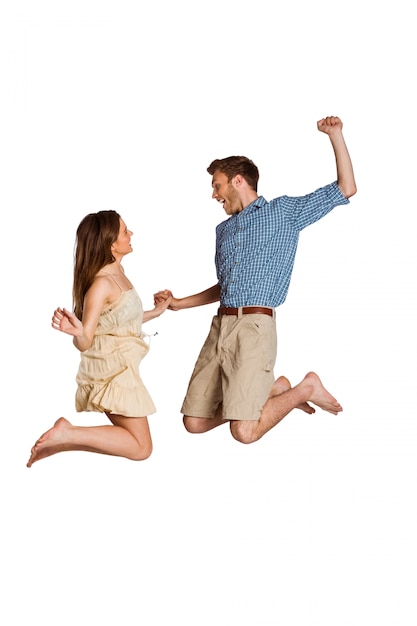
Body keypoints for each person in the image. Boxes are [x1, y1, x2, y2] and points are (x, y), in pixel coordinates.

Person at [154, 116, 357, 445]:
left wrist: (335, 135)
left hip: (254, 330)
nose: (213, 194)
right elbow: (226, 287)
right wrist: (179, 303)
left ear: (237, 181)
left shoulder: (282, 212)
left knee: (243, 431)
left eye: (216, 185)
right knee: (193, 421)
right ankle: (276, 392)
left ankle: (305, 387)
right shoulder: (224, 230)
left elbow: (346, 188)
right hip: (221, 326)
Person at [27, 210, 171, 467]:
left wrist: (157, 312)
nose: (131, 234)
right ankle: (67, 433)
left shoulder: (120, 272)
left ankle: (65, 440)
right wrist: (78, 332)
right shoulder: (102, 283)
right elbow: (86, 340)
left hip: (124, 367)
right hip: (112, 372)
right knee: (141, 448)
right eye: (125, 231)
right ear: (110, 244)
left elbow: (121, 321)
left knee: (141, 447)